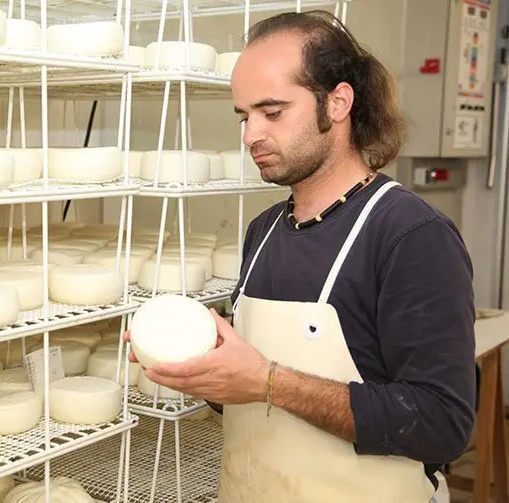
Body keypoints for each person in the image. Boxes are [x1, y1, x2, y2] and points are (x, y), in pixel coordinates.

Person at [124, 10, 476, 503]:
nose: (250, 136)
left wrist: (269, 382)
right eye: (245, 116)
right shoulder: (263, 231)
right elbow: (247, 398)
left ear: (337, 103)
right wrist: (202, 371)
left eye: (272, 112)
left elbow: (442, 424)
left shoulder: (411, 235)